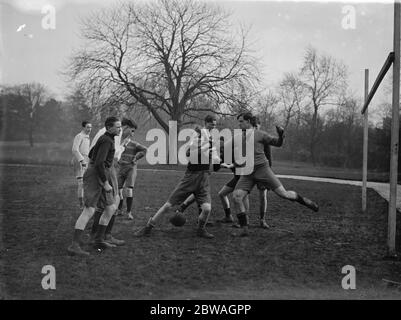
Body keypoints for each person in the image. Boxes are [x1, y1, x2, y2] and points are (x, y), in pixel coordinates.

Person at [232, 112, 318, 237]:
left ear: (248, 122)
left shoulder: (260, 134)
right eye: (238, 122)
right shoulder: (240, 137)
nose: (239, 124)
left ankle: (304, 201)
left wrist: (281, 134)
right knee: (236, 196)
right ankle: (244, 229)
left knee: (284, 194)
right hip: (248, 173)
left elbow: (278, 143)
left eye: (241, 121)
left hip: (262, 169)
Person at [133, 115, 221, 239]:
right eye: (212, 124)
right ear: (206, 124)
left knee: (207, 209)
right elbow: (188, 154)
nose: (213, 127)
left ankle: (201, 229)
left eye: (215, 125)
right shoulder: (197, 139)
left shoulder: (212, 142)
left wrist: (217, 161)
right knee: (168, 206)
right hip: (190, 178)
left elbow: (216, 162)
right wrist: (205, 148)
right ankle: (148, 227)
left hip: (203, 179)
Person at [67, 117, 122, 256]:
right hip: (95, 176)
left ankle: (98, 240)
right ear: (109, 128)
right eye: (117, 127)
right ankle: (74, 245)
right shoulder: (106, 140)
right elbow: (98, 163)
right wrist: (105, 182)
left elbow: (92, 154)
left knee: (110, 207)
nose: (120, 129)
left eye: (120, 127)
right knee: (89, 210)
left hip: (101, 173)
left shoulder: (107, 139)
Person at [89, 118, 137, 247]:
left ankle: (100, 235)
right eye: (131, 131)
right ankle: (102, 236)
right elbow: (108, 156)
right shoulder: (107, 137)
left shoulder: (111, 135)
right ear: (125, 126)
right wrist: (104, 179)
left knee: (110, 202)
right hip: (106, 170)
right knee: (110, 203)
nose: (131, 134)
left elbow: (98, 153)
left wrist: (123, 146)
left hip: (108, 169)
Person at [116, 122, 147, 220]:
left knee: (129, 190)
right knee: (118, 190)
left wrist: (136, 158)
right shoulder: (118, 144)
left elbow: (145, 150)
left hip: (130, 169)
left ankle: (129, 212)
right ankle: (119, 209)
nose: (132, 133)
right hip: (121, 169)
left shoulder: (134, 144)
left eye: (133, 131)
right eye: (131, 130)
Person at [71, 121, 92, 207]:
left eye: (90, 127)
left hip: (86, 159)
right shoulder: (79, 136)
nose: (89, 129)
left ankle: (86, 201)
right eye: (87, 127)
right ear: (83, 127)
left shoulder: (87, 137)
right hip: (80, 160)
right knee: (81, 183)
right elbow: (75, 149)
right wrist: (82, 160)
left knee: (87, 182)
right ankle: (81, 203)